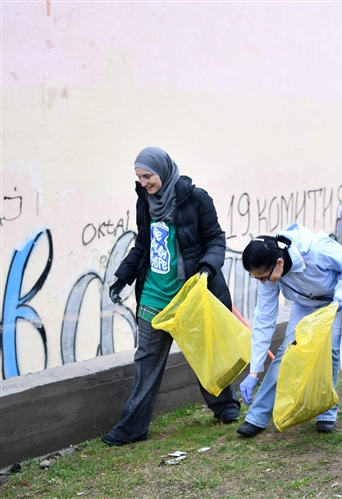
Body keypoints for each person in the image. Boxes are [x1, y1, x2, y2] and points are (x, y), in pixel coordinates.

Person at [102, 147, 241, 446]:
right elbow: (143, 244)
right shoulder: (144, 201)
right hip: (154, 294)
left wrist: (207, 269)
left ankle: (226, 406)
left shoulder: (196, 198)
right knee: (146, 362)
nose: (143, 183)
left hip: (190, 295)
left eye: (147, 176)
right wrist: (122, 278)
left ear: (163, 171)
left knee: (205, 353)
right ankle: (133, 428)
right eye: (138, 177)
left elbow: (216, 238)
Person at [234, 225, 342, 438]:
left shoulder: (317, 250)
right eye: (256, 278)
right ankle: (256, 417)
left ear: (279, 263)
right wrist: (254, 371)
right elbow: (264, 321)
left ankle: (326, 413)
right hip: (303, 305)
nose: (262, 282)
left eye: (264, 277)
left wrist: (341, 297)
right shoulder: (268, 275)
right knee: (286, 354)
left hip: (333, 303)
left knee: (328, 352)